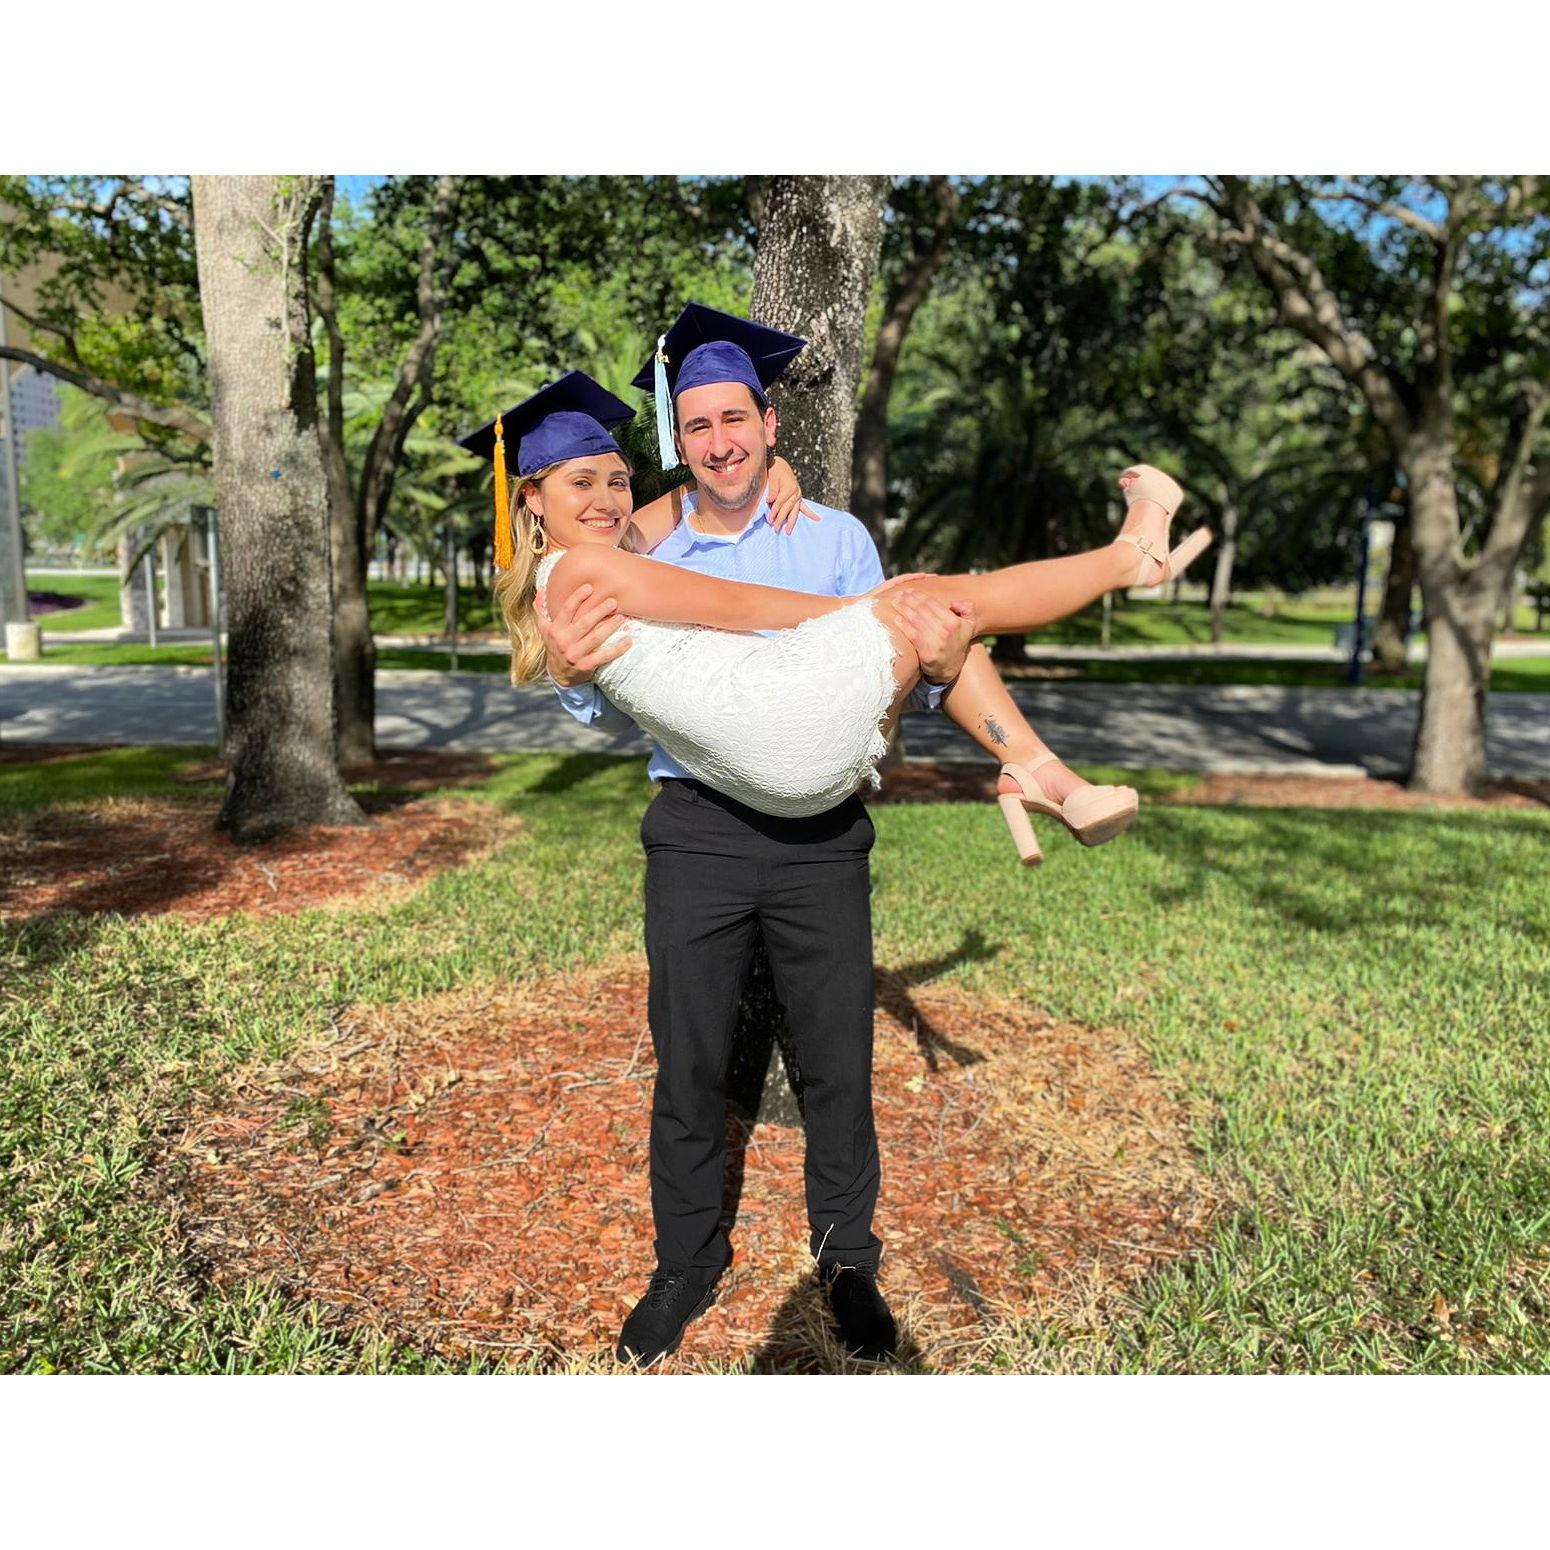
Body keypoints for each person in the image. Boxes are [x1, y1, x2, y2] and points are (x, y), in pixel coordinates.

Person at [462, 331, 1208, 1368]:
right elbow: (679, 620)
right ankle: (684, 1262)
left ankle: (847, 1259)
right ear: (539, 495)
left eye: (735, 421)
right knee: (689, 1066)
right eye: (694, 427)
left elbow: (900, 697)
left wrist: (899, 630)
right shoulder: (625, 550)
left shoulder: (822, 533)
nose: (715, 442)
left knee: (836, 1064)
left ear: (770, 424)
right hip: (699, 832)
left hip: (820, 830)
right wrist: (873, 612)